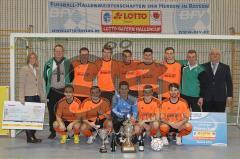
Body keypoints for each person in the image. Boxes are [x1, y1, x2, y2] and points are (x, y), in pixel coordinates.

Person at [43, 44, 73, 139]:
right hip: (52, 92)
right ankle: (52, 131)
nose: (58, 53)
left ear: (63, 52)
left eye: (60, 51)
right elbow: (45, 77)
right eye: (57, 51)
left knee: (65, 112)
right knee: (52, 112)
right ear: (54, 52)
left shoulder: (68, 63)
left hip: (63, 92)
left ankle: (65, 132)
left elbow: (72, 77)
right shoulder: (48, 63)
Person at [19, 52, 46, 143]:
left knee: (35, 117)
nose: (33, 59)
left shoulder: (37, 70)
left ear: (36, 59)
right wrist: (21, 98)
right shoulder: (24, 69)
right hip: (29, 96)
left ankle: (33, 136)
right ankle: (29, 137)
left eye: (34, 58)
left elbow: (40, 86)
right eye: (31, 58)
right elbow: (21, 84)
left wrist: (42, 97)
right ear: (28, 59)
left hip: (37, 96)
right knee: (29, 118)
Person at [111, 81, 138, 145]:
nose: (124, 91)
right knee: (116, 118)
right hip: (118, 118)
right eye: (122, 89)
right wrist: (125, 116)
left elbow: (135, 110)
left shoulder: (133, 99)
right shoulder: (115, 97)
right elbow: (114, 110)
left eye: (125, 89)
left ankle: (131, 134)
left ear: (128, 90)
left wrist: (133, 118)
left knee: (134, 142)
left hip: (129, 119)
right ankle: (117, 133)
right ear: (119, 89)